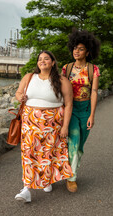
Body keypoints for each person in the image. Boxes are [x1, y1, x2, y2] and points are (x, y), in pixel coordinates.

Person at [15, 50, 73, 202]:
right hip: (30, 124)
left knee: (48, 154)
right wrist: (20, 96)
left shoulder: (62, 81)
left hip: (53, 124)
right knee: (29, 154)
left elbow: (69, 104)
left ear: (53, 62)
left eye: (46, 59)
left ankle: (46, 180)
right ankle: (26, 189)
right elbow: (18, 92)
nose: (42, 61)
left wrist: (65, 126)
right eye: (40, 59)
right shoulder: (29, 77)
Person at [61, 29, 100, 193]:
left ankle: (71, 167)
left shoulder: (93, 70)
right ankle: (71, 178)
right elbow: (60, 91)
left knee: (80, 146)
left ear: (88, 51)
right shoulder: (66, 69)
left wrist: (92, 114)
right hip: (70, 109)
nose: (76, 51)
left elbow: (94, 92)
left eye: (81, 48)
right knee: (74, 141)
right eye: (75, 48)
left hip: (85, 110)